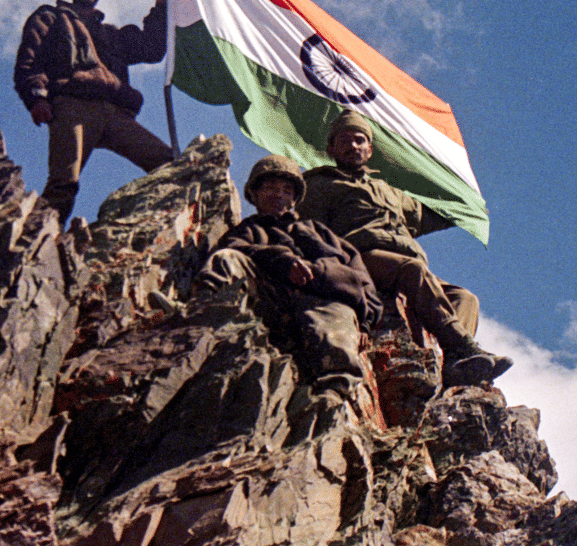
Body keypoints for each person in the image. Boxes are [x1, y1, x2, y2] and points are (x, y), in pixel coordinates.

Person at [298, 110, 513, 386]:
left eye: (359, 140)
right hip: (358, 260)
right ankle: (460, 347)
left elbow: (424, 218)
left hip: (399, 262)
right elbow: (305, 229)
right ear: (331, 148)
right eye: (344, 141)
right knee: (412, 270)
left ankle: (456, 370)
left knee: (465, 298)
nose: (353, 146)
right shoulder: (319, 185)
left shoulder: (390, 191)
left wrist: (467, 204)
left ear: (370, 149)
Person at [14, 0, 176, 223]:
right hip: (72, 106)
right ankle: (37, 240)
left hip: (115, 112)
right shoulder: (50, 18)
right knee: (64, 182)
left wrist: (163, 4)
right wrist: (37, 98)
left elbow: (151, 48)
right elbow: (29, 63)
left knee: (171, 164)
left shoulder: (111, 35)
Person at [198, 155, 384, 391]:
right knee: (225, 259)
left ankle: (331, 399)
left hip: (322, 301)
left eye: (286, 190)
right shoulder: (249, 230)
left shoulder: (320, 232)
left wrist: (365, 323)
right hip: (274, 300)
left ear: (295, 199)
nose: (278, 195)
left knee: (337, 339)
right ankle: (201, 316)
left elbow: (361, 278)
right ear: (254, 195)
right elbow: (234, 249)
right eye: (270, 188)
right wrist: (280, 261)